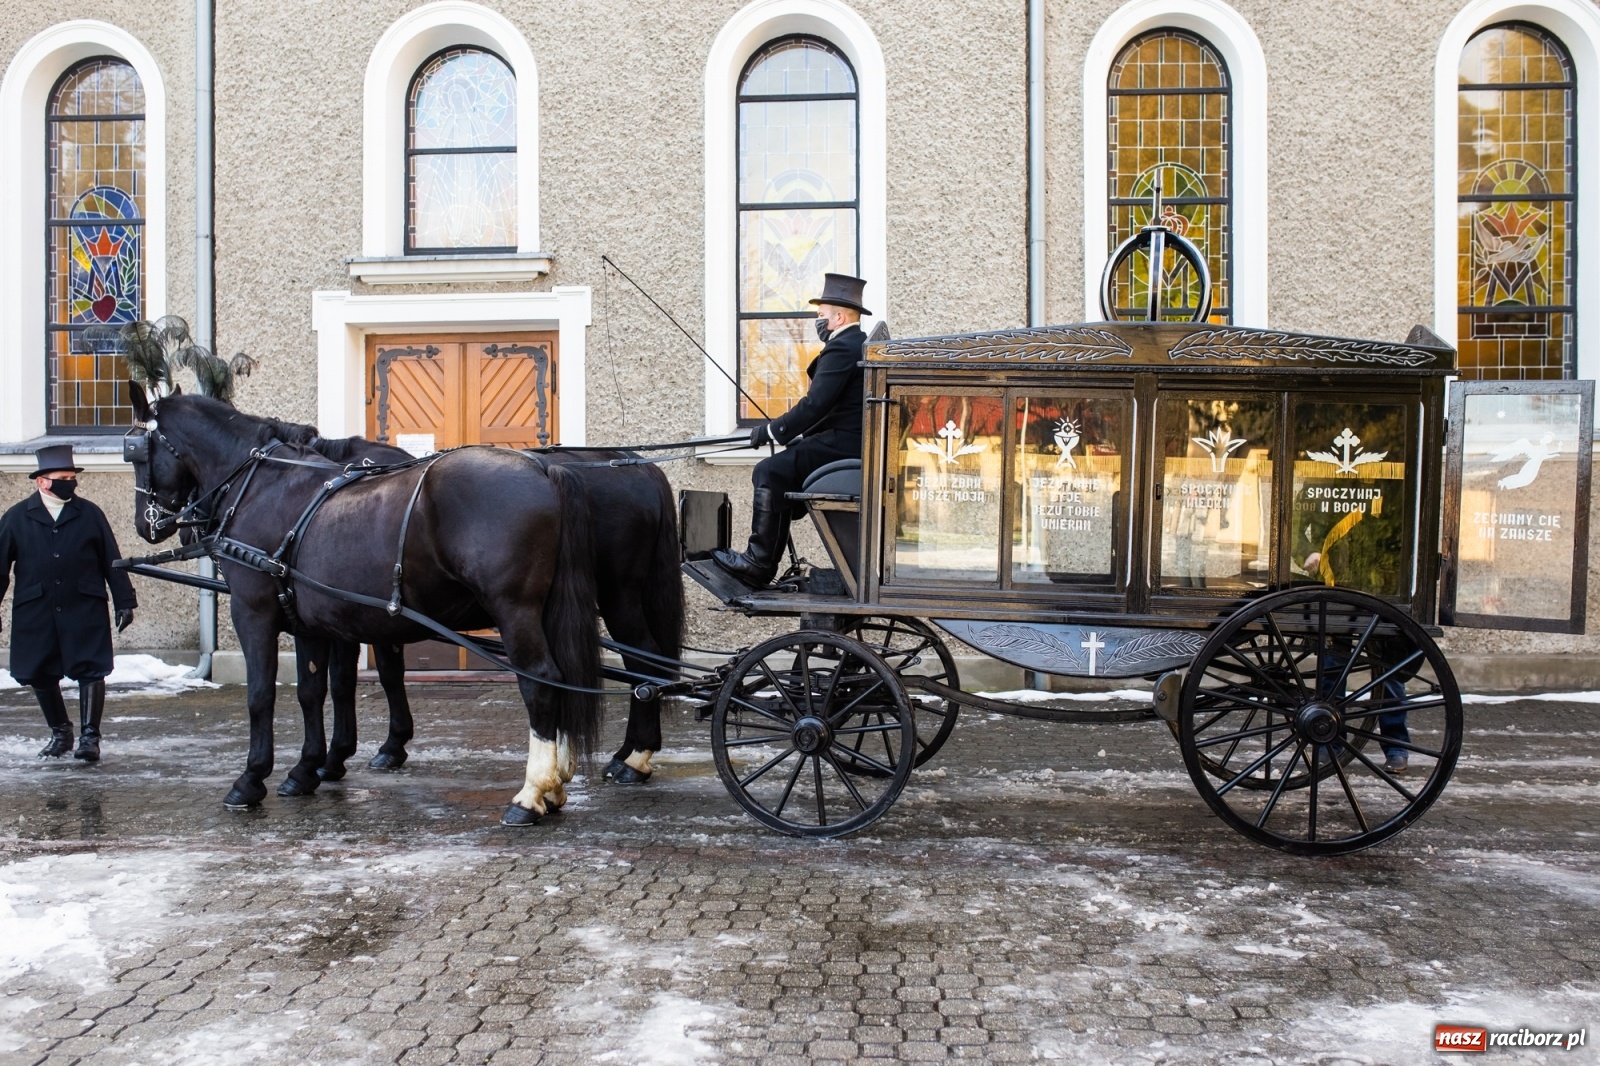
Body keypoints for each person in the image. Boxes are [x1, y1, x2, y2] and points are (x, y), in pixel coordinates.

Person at [714, 273, 871, 588]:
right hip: (845, 441)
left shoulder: (843, 348)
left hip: (844, 445)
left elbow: (815, 404)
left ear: (839, 317)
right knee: (783, 467)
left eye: (821, 315)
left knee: (769, 471)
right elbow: (831, 407)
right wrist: (797, 436)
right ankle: (763, 560)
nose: (818, 321)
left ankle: (758, 562)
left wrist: (773, 431)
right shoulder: (856, 344)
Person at [0, 445, 136, 761]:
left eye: (72, 477)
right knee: (38, 670)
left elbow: (111, 558)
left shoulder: (90, 514)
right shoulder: (16, 517)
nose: (70, 483)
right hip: (36, 609)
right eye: (62, 478)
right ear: (42, 481)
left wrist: (124, 600)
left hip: (84, 605)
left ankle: (90, 738)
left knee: (91, 668)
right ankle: (61, 733)